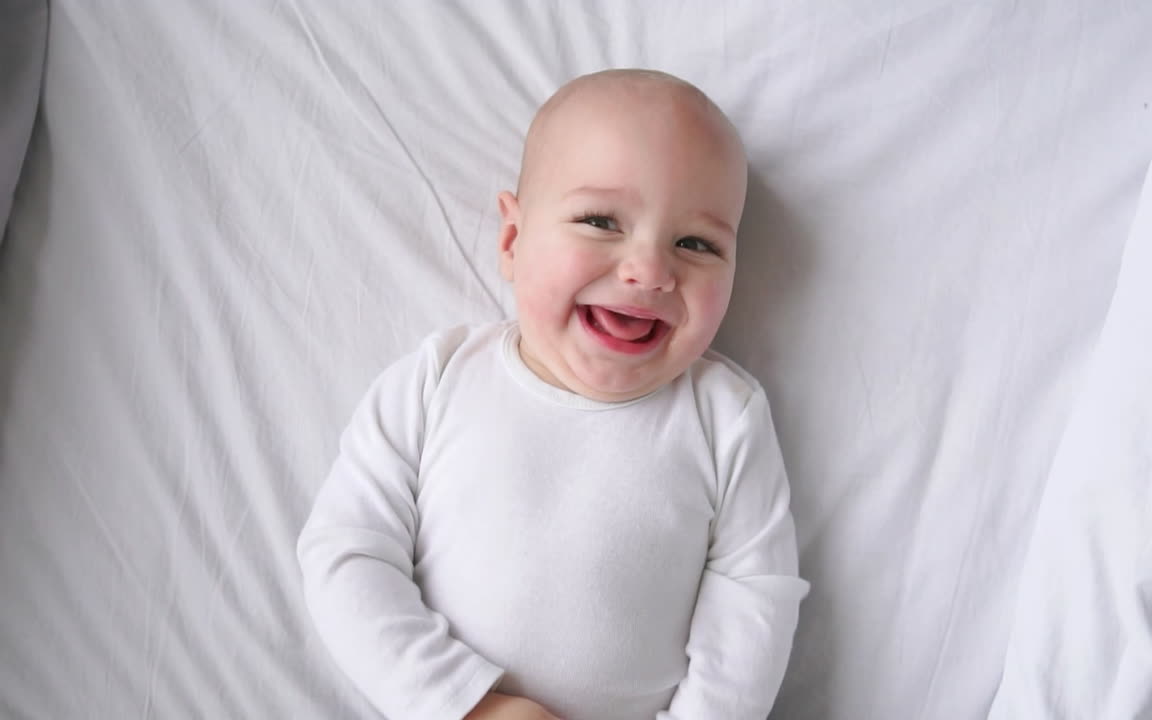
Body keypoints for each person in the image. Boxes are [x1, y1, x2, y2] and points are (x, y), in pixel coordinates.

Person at [297, 68, 808, 720]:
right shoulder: (437, 382)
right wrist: (471, 705)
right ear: (511, 238)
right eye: (600, 221)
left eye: (696, 243)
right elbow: (347, 554)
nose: (650, 270)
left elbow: (752, 609)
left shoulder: (724, 418)